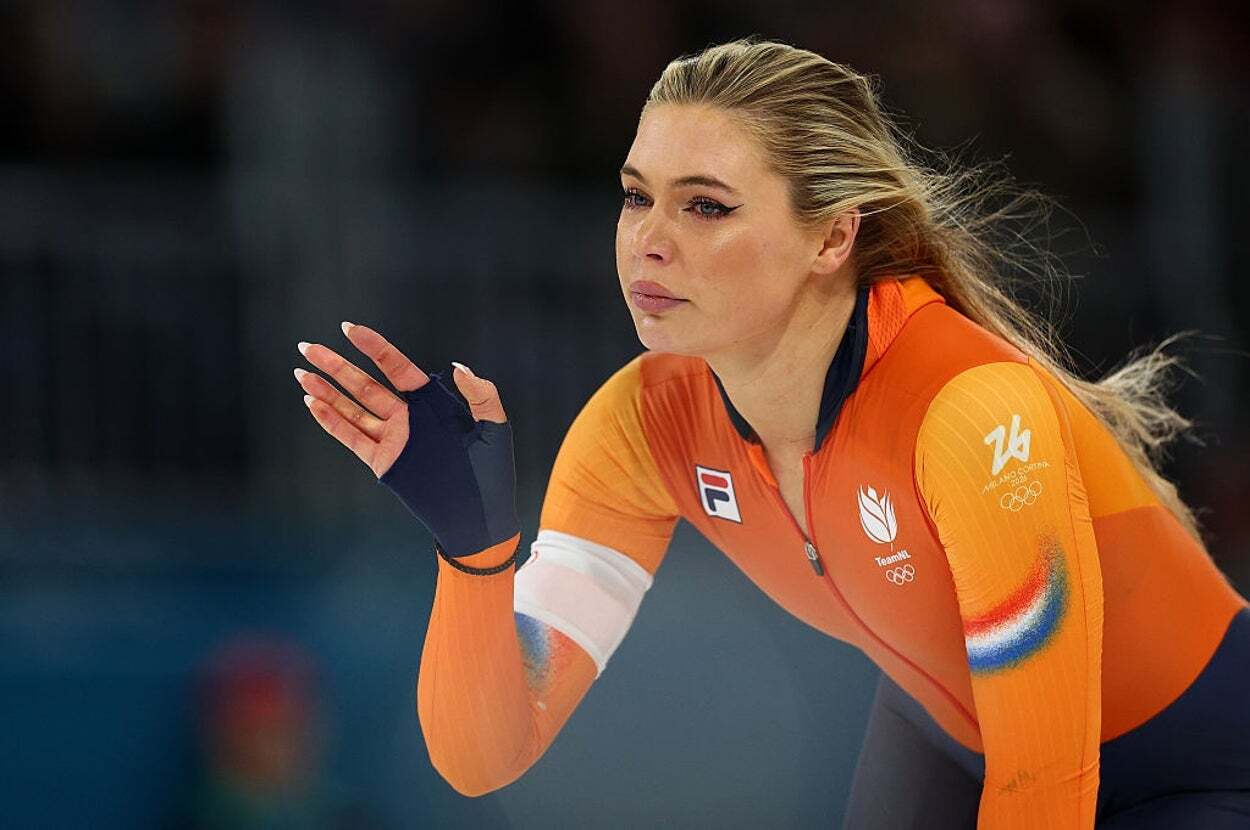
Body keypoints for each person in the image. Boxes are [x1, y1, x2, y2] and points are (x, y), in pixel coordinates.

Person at [293, 37, 1250, 829]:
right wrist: (474, 555)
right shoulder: (642, 428)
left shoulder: (971, 414)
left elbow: (1046, 787)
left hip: (1194, 767)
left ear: (832, 237)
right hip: (951, 736)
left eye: (705, 205)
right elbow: (485, 757)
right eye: (636, 195)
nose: (649, 240)